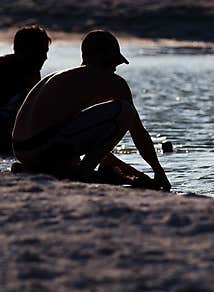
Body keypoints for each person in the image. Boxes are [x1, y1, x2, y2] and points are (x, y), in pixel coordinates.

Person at [11, 30, 171, 190]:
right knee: (125, 111)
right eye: (113, 62)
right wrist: (158, 171)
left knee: (80, 157)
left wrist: (139, 177)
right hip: (42, 148)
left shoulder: (61, 78)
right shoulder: (112, 81)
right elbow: (139, 133)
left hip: (23, 151)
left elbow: (97, 148)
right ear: (99, 58)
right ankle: (83, 175)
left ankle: (51, 169)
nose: (115, 69)